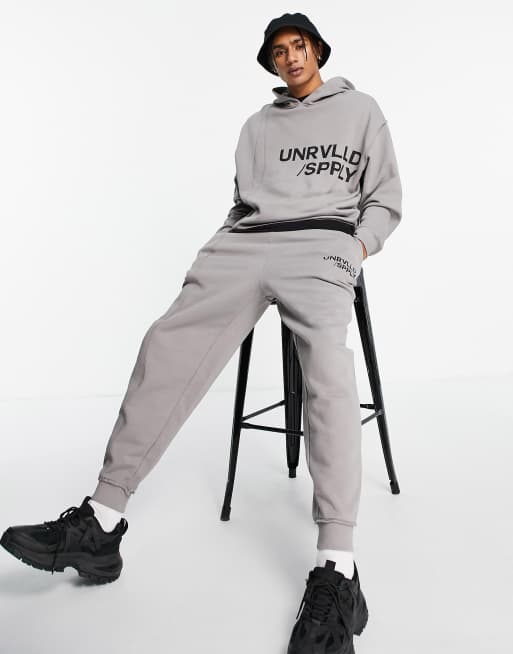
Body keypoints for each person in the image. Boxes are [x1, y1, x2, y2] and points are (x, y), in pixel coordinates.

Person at [1, 12, 402, 654]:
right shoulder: (257, 126)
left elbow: (384, 197)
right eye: (278, 51)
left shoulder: (362, 110)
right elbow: (244, 201)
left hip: (322, 244)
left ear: (318, 50)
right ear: (271, 63)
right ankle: (102, 521)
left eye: (299, 45)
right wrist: (221, 245)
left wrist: (356, 247)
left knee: (328, 370)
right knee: (165, 343)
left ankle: (338, 565)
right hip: (246, 243)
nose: (291, 57)